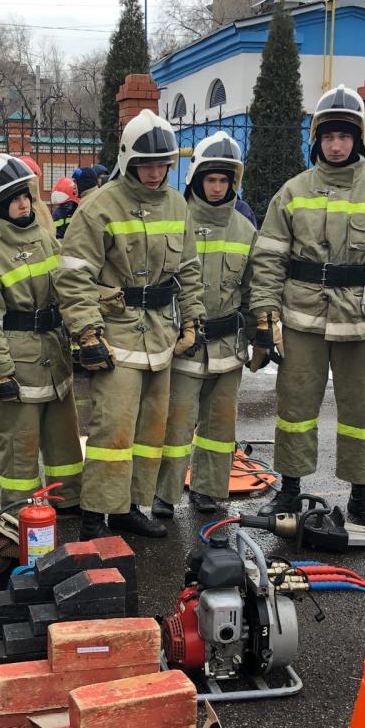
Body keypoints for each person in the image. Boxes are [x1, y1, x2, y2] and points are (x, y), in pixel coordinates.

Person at [247, 85, 365, 528]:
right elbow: (268, 258)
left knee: (362, 413)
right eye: (328, 136)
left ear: (358, 139)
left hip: (361, 321)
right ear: (316, 139)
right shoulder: (293, 191)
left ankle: (362, 495)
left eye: (345, 136)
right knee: (295, 408)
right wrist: (264, 313)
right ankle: (291, 489)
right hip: (302, 320)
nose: (336, 145)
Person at [57, 109, 204, 540]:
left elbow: (190, 270)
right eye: (147, 163)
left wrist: (193, 320)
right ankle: (94, 514)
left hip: (161, 336)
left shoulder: (178, 205)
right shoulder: (100, 206)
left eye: (163, 164)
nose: (156, 172)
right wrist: (87, 333)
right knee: (112, 429)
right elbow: (74, 274)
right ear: (128, 159)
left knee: (149, 431)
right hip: (115, 333)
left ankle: (127, 508)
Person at [0, 155, 83, 512]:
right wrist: (0, 371)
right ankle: (20, 515)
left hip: (55, 359)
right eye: (14, 199)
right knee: (19, 450)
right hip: (17, 368)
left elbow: (70, 291)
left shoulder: (46, 240)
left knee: (64, 445)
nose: (23, 204)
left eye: (26, 196)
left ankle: (70, 504)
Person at [153, 133, 255, 518]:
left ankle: (208, 489)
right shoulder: (175, 219)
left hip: (228, 347)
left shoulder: (245, 230)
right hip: (186, 344)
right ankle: (165, 494)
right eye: (210, 179)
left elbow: (252, 286)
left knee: (219, 425)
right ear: (195, 178)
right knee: (176, 422)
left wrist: (260, 330)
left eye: (223, 180)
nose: (216, 187)